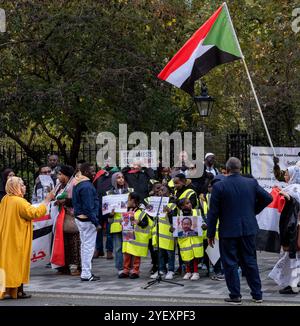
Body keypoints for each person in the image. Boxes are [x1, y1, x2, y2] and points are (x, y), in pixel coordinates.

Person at [207, 157, 273, 304]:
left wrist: (210, 233)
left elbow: (213, 213)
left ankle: (235, 296)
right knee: (250, 261)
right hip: (248, 229)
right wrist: (253, 211)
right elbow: (268, 198)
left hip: (228, 231)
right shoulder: (251, 183)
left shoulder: (220, 186)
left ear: (227, 170)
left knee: (230, 264)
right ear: (240, 168)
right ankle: (257, 295)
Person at [0, 176, 54, 299]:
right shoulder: (19, 202)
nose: (24, 187)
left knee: (9, 264)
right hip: (17, 239)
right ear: (15, 187)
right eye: (22, 185)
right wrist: (46, 200)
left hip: (8, 237)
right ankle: (18, 291)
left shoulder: (5, 199)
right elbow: (34, 213)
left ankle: (13, 291)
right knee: (18, 264)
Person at [269, 166, 300, 294]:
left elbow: (295, 204)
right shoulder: (293, 187)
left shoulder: (295, 188)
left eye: (287, 174)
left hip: (294, 229)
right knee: (293, 257)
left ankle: (292, 285)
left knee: (291, 257)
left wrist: (288, 197)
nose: (285, 176)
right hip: (294, 228)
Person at [72, 163, 101, 281]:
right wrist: (96, 223)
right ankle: (86, 273)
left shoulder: (77, 183)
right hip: (88, 220)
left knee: (84, 246)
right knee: (88, 247)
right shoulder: (87, 186)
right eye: (91, 171)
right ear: (85, 172)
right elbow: (88, 207)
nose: (94, 173)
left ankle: (85, 272)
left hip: (79, 218)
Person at [52, 165, 81, 276]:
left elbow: (77, 200)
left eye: (60, 174)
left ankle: (76, 266)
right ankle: (64, 266)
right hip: (61, 218)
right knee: (64, 243)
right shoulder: (60, 185)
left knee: (74, 242)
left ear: (66, 175)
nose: (58, 176)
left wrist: (65, 201)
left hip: (72, 217)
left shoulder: (73, 184)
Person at [119, 192, 153, 279]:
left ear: (133, 200)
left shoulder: (142, 212)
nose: (127, 201)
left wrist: (139, 222)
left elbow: (145, 224)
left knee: (136, 255)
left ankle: (135, 271)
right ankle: (126, 270)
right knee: (126, 253)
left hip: (137, 238)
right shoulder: (126, 210)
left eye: (128, 199)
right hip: (128, 236)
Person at [106, 172, 133, 276]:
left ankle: (129, 267)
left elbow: (134, 206)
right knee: (118, 248)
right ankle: (120, 268)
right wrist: (111, 213)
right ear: (114, 180)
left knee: (129, 247)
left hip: (128, 223)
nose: (121, 179)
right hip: (116, 224)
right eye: (118, 178)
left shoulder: (130, 191)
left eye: (122, 177)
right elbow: (107, 211)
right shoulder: (109, 193)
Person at [93, 164, 119, 259]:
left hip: (110, 206)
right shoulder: (99, 175)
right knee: (98, 228)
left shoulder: (116, 174)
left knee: (109, 230)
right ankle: (99, 249)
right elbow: (94, 188)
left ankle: (109, 250)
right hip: (98, 205)